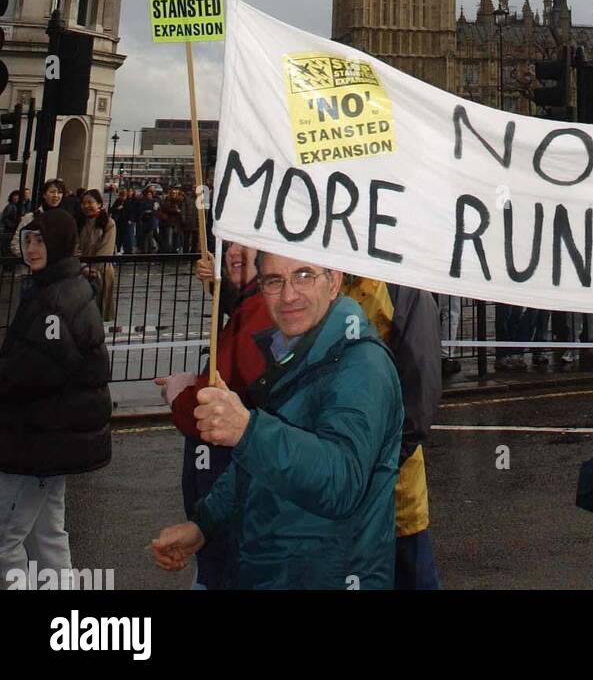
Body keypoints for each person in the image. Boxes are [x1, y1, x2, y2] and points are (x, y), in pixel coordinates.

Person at [151, 251, 404, 589]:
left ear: (334, 282)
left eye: (304, 276)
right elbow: (256, 465)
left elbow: (342, 479)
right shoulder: (290, 348)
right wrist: (204, 526)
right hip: (271, 569)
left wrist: (248, 430)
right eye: (274, 281)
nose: (288, 295)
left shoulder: (362, 366)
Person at [0, 209, 112, 587]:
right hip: (51, 436)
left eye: (40, 241)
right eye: (28, 240)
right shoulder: (59, 288)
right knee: (46, 534)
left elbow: (33, 371)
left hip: (37, 437)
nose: (31, 249)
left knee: (5, 539)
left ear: (61, 244)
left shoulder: (57, 298)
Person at [158, 242, 272, 590]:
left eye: (246, 244)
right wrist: (216, 284)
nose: (234, 251)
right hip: (222, 499)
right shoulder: (250, 303)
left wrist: (181, 394)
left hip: (233, 502)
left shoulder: (263, 311)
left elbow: (224, 394)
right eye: (230, 244)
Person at [342, 274, 443, 589]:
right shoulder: (321, 278)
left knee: (411, 575)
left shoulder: (403, 290)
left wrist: (384, 464)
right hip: (339, 487)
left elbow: (419, 392)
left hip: (393, 489)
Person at [77, 189, 117, 322]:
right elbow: (75, 246)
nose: (86, 206)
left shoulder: (108, 223)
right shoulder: (79, 221)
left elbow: (106, 248)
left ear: (99, 204)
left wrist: (93, 268)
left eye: (90, 202)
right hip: (81, 270)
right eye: (83, 203)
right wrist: (82, 266)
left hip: (101, 271)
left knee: (100, 310)